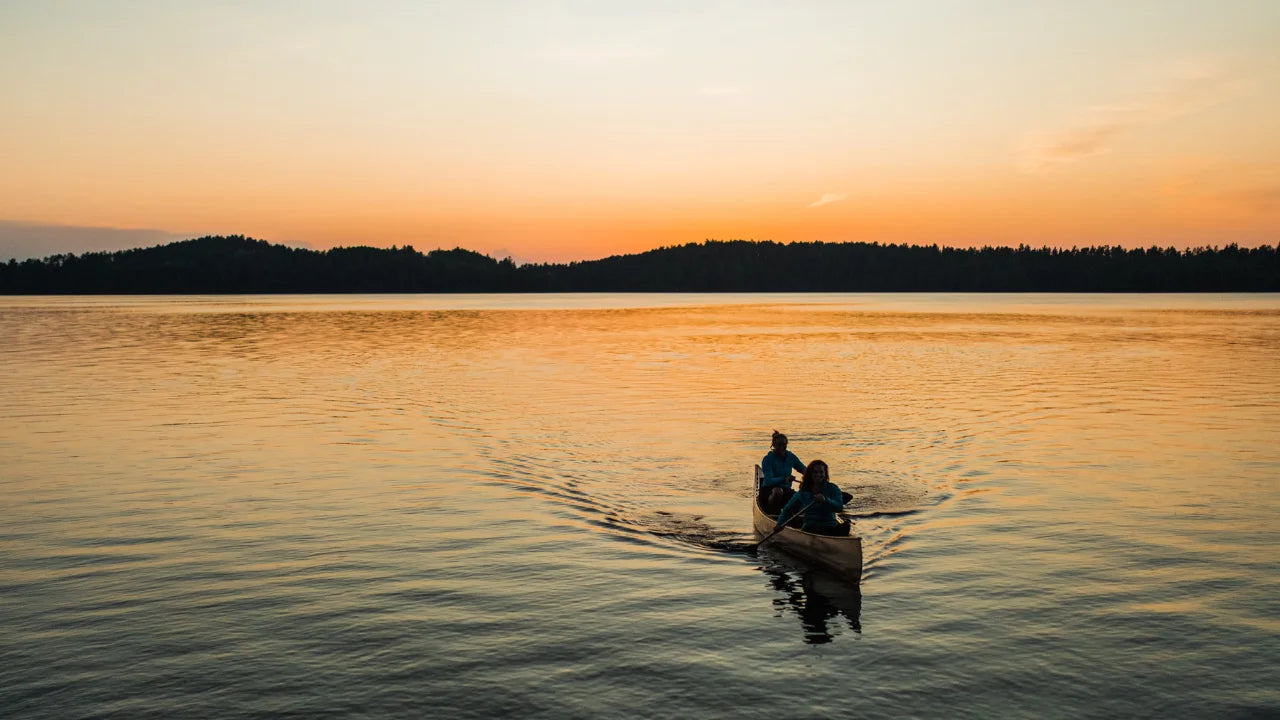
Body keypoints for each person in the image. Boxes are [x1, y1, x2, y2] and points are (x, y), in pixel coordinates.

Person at [774, 460, 850, 536]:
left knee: (846, 525)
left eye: (821, 472)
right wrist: (779, 524)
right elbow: (788, 509)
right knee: (813, 529)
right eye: (815, 472)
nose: (818, 475)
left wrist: (825, 500)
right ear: (810, 474)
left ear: (825, 474)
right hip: (811, 528)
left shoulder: (833, 488)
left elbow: (839, 507)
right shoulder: (803, 492)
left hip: (830, 526)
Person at [760, 430, 805, 514]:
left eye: (784, 444)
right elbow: (769, 481)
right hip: (769, 490)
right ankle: (773, 513)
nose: (781, 447)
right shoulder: (767, 459)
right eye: (779, 445)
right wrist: (784, 479)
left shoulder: (791, 457)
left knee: (803, 497)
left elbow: (804, 469)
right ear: (773, 445)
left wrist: (814, 478)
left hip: (786, 490)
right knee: (778, 491)